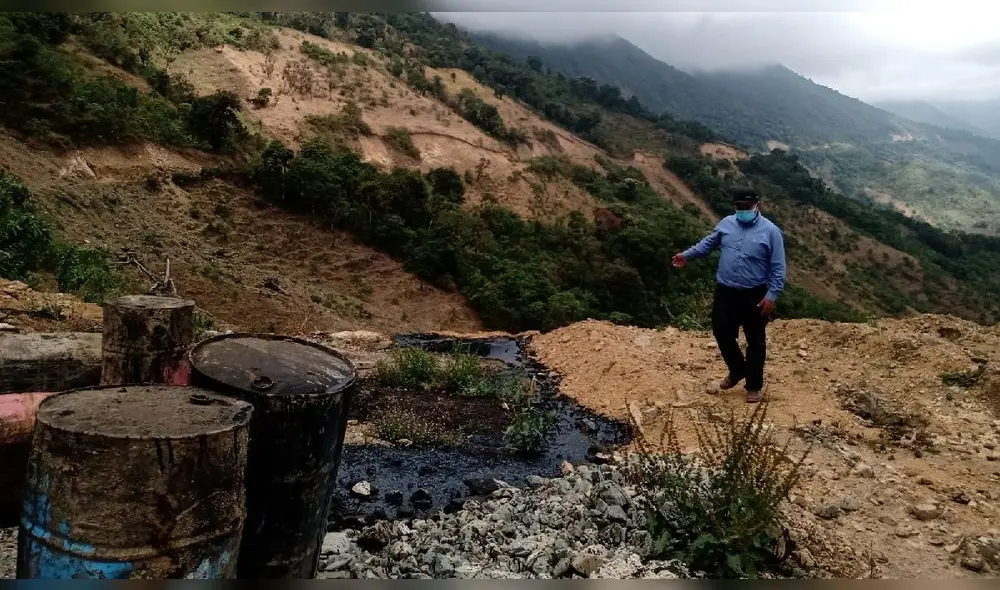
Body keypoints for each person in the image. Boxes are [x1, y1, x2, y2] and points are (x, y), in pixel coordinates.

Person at [671, 185, 786, 403]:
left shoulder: (771, 232)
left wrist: (772, 295)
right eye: (739, 206)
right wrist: (688, 255)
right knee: (721, 331)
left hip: (755, 294)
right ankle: (738, 369)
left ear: (757, 205)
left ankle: (753, 386)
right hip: (726, 291)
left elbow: (778, 267)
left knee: (755, 340)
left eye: (747, 206)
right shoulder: (726, 223)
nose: (743, 210)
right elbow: (708, 244)